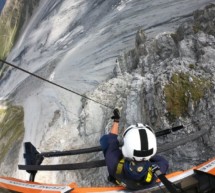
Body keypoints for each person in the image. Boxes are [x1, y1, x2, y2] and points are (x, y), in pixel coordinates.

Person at [100, 108, 169, 190]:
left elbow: (111, 139)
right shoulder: (160, 167)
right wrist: (146, 154)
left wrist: (116, 120)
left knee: (105, 140)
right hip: (143, 185)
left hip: (121, 181)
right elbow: (162, 161)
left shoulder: (112, 160)